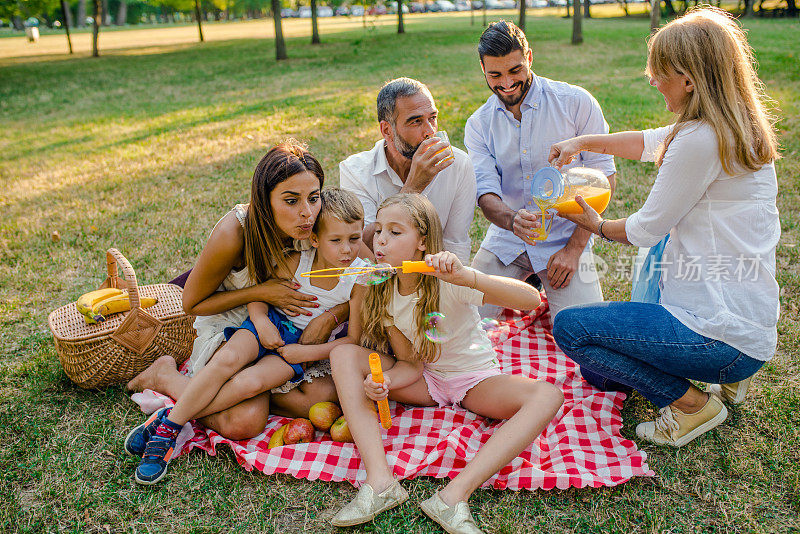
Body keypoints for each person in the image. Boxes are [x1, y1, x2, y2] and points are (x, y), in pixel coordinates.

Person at [549, 7, 780, 447]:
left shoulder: (699, 140)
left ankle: (691, 404)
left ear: (689, 79)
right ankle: (725, 380)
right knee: (599, 374)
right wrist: (584, 141)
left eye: (659, 72)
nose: (651, 79)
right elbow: (650, 141)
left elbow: (644, 228)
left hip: (717, 332)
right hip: (746, 324)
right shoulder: (732, 125)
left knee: (571, 329)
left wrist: (594, 224)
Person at [328, 194, 563, 533]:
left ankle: (452, 498)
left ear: (423, 241)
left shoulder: (448, 279)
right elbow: (411, 363)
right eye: (379, 230)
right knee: (342, 354)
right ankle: (381, 483)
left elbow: (530, 300)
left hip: (474, 381)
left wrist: (469, 277)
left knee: (548, 396)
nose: (380, 240)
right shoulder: (385, 288)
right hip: (428, 380)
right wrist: (386, 383)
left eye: (395, 232)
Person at [124, 141, 346, 482]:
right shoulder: (235, 231)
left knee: (315, 397)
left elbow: (362, 266)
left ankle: (174, 412)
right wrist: (260, 294)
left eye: (313, 197)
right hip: (233, 320)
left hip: (284, 329)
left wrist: (331, 315)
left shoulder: (319, 226)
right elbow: (193, 303)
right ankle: (166, 378)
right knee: (243, 423)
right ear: (264, 200)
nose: (307, 212)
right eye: (291, 200)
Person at [464, 20, 617, 319]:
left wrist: (574, 250)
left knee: (584, 332)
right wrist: (512, 221)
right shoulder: (478, 124)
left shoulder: (576, 102)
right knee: (462, 319)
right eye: (495, 74)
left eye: (515, 70)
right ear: (482, 68)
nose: (506, 83)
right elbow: (486, 194)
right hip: (507, 239)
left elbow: (605, 178)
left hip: (567, 237)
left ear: (529, 58)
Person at [339, 77, 476, 264]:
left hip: (436, 276)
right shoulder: (355, 171)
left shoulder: (458, 165)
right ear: (387, 130)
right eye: (416, 122)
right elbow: (361, 245)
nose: (430, 131)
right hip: (381, 280)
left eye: (432, 118)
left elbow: (455, 244)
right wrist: (412, 188)